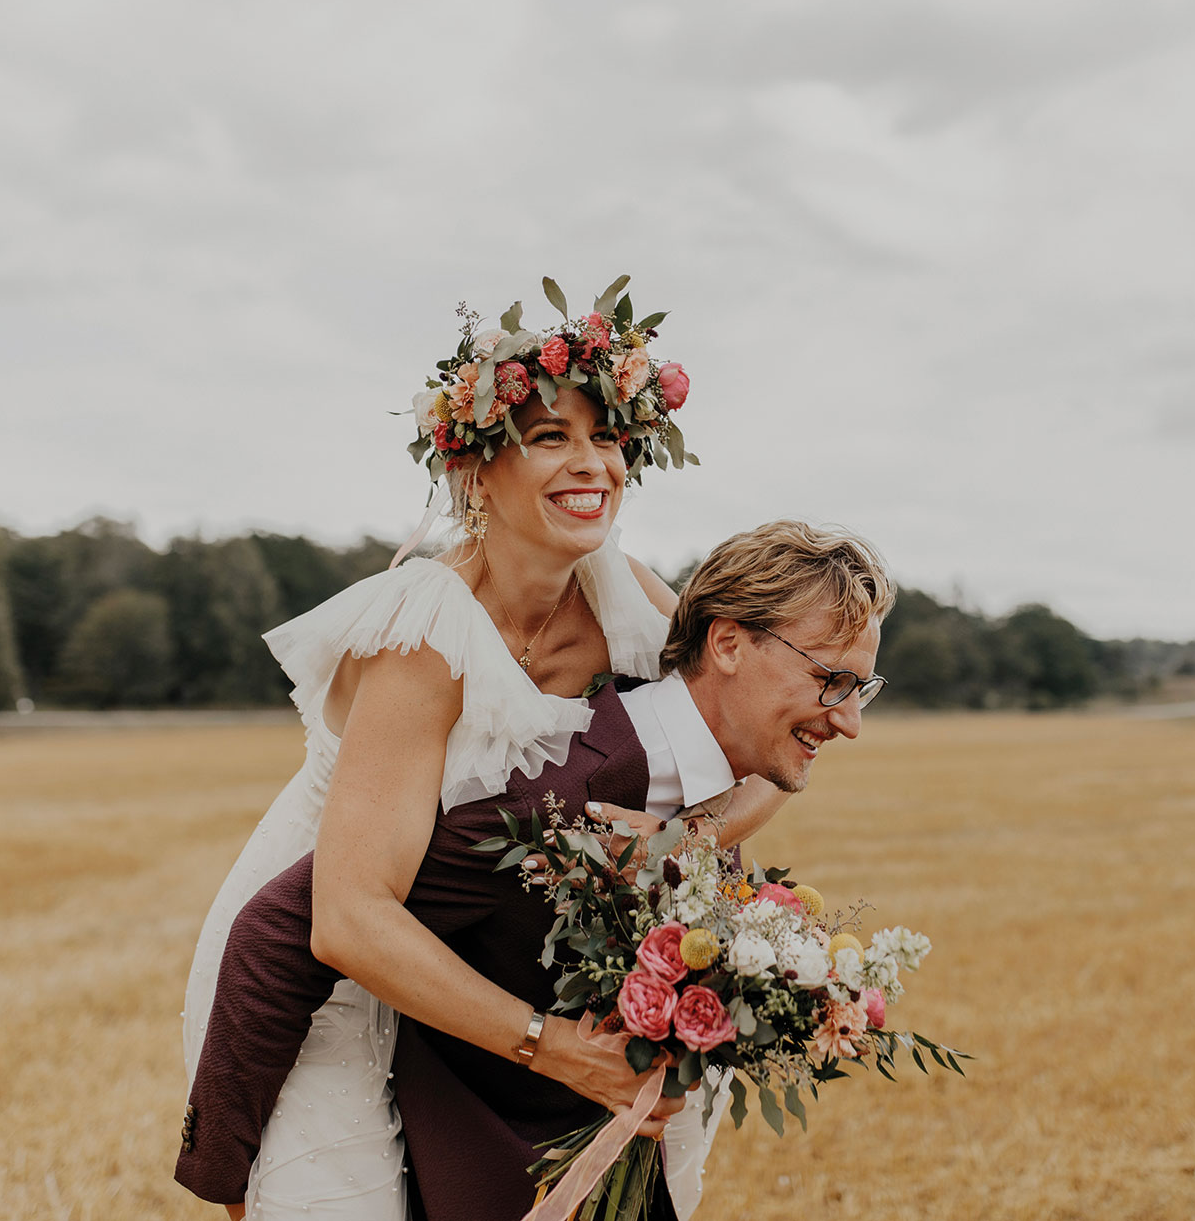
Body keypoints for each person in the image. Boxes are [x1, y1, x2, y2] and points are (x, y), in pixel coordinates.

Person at [180, 282, 795, 1219]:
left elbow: (753, 753)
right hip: (335, 962)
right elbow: (345, 919)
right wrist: (556, 1045)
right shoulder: (423, 640)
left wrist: (679, 843)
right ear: (474, 473)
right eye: (550, 437)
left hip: (488, 948)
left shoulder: (628, 597)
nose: (591, 464)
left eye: (606, 437)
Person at [177, 520, 894, 1220]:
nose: (851, 721)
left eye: (862, 689)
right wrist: (234, 1182)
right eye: (831, 680)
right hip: (481, 1152)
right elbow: (279, 931)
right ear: (730, 644)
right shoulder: (552, 801)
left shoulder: (710, 779)